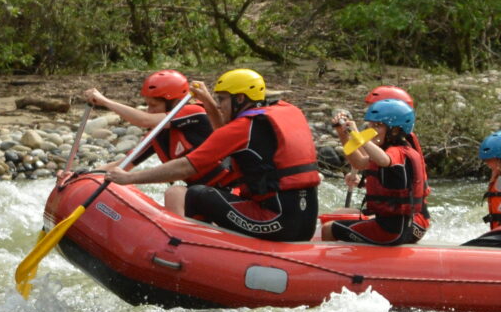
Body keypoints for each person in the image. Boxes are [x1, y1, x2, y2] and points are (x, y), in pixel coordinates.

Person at [99, 68, 322, 241]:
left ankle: (179, 250)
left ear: (240, 99)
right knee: (195, 194)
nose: (218, 105)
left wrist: (130, 179)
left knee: (189, 194)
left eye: (222, 99)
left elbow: (187, 166)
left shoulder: (242, 127)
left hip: (276, 221)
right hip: (303, 219)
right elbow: (224, 133)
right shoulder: (280, 112)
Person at [83, 70, 214, 214]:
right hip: (199, 192)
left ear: (176, 103)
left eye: (154, 105)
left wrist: (104, 101)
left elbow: (144, 120)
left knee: (174, 193)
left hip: (226, 190)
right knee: (176, 193)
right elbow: (122, 165)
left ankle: (177, 234)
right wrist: (81, 176)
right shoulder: (158, 133)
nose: (149, 111)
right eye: (147, 105)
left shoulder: (195, 112)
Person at [318, 98, 429, 245]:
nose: (371, 130)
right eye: (370, 125)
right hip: (394, 226)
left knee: (328, 229)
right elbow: (359, 162)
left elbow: (383, 160)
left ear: (395, 130)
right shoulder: (391, 150)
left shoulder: (398, 152)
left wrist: (357, 135)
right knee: (342, 214)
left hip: (391, 231)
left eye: (377, 126)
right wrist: (342, 133)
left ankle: (333, 266)